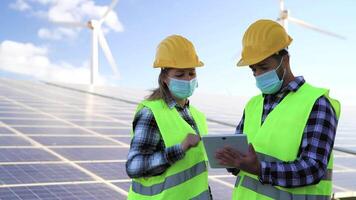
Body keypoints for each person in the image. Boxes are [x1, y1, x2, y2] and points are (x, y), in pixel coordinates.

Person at [215, 19, 340, 199]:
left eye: (264, 67)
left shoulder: (317, 104)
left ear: (285, 60)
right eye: (254, 70)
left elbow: (313, 169)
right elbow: (242, 160)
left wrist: (260, 169)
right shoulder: (253, 105)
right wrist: (232, 161)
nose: (258, 75)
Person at [126, 35, 212, 199]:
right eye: (180, 75)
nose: (187, 79)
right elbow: (135, 167)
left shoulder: (197, 116)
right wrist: (180, 149)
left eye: (191, 73)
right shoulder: (151, 113)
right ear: (165, 78)